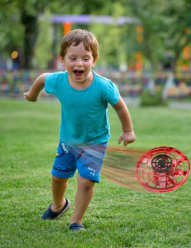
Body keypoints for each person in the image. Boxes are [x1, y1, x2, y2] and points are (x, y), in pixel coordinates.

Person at [24, 29, 135, 231]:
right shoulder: (58, 81)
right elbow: (41, 79)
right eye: (73, 58)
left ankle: (76, 220)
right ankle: (59, 205)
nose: (79, 64)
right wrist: (33, 95)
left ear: (94, 61)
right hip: (68, 141)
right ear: (63, 60)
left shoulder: (103, 86)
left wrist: (128, 130)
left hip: (95, 142)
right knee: (58, 178)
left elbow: (120, 106)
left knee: (86, 182)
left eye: (86, 58)